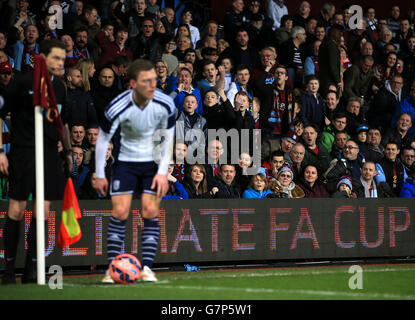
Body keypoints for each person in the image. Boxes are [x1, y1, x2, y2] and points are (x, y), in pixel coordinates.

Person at [94, 59, 177, 284]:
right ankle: (112, 268)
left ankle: (147, 268)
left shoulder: (166, 104)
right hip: (126, 163)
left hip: (152, 164)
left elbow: (167, 139)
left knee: (150, 211)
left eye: (154, 80)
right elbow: (103, 139)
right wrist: (100, 174)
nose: (153, 84)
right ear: (132, 83)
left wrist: (161, 172)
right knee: (120, 212)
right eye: (146, 81)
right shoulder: (117, 106)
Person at [0, 39, 72, 285]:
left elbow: (60, 123)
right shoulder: (22, 82)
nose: (60, 63)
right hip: (22, 152)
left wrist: (66, 150)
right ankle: (9, 271)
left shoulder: (60, 88)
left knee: (43, 211)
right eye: (56, 58)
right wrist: (0, 151)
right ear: (42, 58)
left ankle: (32, 270)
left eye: (63, 59)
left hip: (49, 154)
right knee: (17, 210)